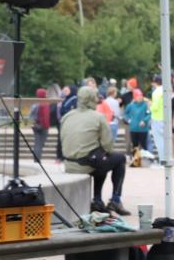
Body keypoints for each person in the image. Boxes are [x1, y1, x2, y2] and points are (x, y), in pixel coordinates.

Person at [60, 86, 131, 215]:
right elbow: (108, 146)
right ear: (93, 99)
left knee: (99, 158)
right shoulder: (98, 117)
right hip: (87, 164)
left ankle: (98, 200)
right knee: (119, 158)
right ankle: (115, 200)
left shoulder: (67, 116)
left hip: (69, 164)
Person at [124, 88, 151, 165]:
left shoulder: (145, 105)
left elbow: (149, 114)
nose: (140, 98)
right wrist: (129, 120)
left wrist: (144, 120)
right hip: (133, 128)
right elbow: (125, 114)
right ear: (134, 97)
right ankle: (136, 161)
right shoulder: (130, 105)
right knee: (135, 145)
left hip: (143, 129)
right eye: (138, 96)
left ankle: (145, 160)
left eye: (141, 96)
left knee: (143, 145)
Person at [55, 85, 78, 163]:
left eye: (66, 91)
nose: (64, 92)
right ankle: (60, 157)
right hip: (63, 123)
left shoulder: (75, 100)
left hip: (70, 124)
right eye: (64, 91)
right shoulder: (65, 99)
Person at [29, 87, 52, 160]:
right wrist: (46, 126)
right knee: (40, 144)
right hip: (43, 126)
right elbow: (45, 117)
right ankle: (37, 159)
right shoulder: (44, 104)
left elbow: (31, 116)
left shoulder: (35, 104)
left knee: (37, 143)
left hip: (35, 125)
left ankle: (36, 159)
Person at [149, 75, 166, 163]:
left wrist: (149, 106)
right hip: (165, 117)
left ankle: (162, 160)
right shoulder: (166, 90)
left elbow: (155, 107)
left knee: (159, 141)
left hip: (157, 118)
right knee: (165, 140)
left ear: (154, 82)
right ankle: (166, 159)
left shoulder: (156, 92)